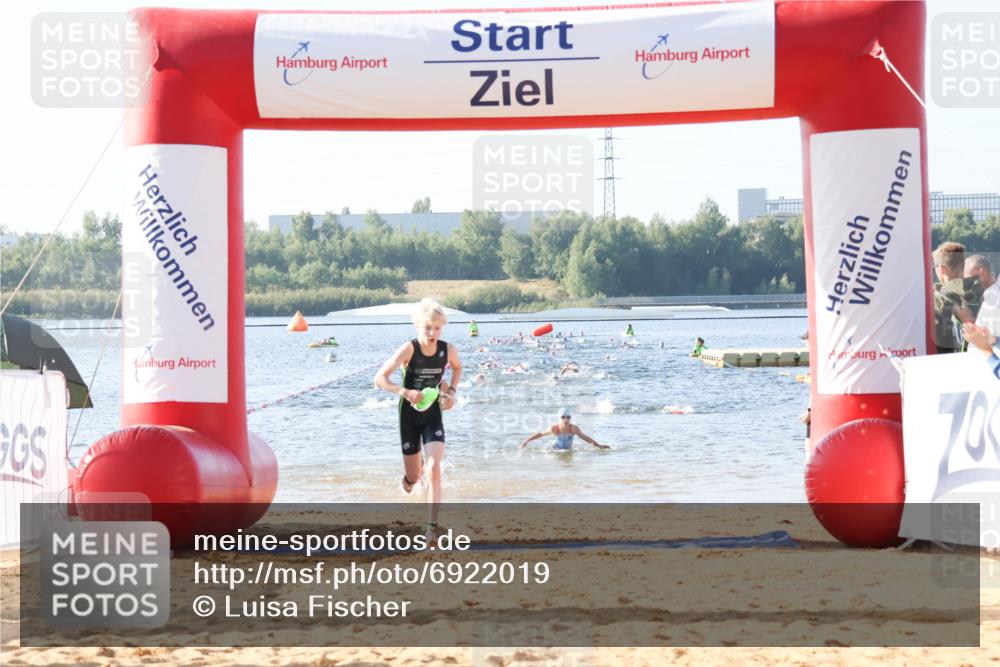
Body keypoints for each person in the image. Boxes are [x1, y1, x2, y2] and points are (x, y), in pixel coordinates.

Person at [373, 297, 463, 534]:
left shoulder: (447, 350)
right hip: (409, 418)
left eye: (437, 328)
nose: (433, 332)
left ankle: (431, 525)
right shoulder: (409, 349)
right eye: (428, 327)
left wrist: (451, 391)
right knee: (413, 477)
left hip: (432, 415)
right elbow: (379, 378)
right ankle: (409, 484)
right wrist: (404, 392)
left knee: (433, 467)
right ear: (417, 326)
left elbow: (458, 367)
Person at [932, 242, 977, 353]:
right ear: (962, 265)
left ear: (942, 268)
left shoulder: (934, 301)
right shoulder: (979, 296)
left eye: (935, 266)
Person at [519, 409, 610, 451]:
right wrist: (526, 441)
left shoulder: (574, 428)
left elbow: (585, 438)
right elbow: (540, 434)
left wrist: (599, 446)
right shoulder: (554, 428)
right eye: (563, 417)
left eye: (568, 417)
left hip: (568, 450)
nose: (565, 419)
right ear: (560, 418)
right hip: (556, 450)